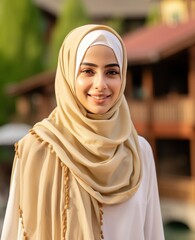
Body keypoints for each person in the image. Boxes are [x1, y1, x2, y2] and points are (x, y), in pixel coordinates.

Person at [1, 24, 165, 240]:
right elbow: (16, 232)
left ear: (122, 76)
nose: (101, 84)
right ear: (69, 74)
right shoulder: (38, 148)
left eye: (112, 72)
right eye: (87, 71)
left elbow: (152, 232)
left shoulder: (139, 150)